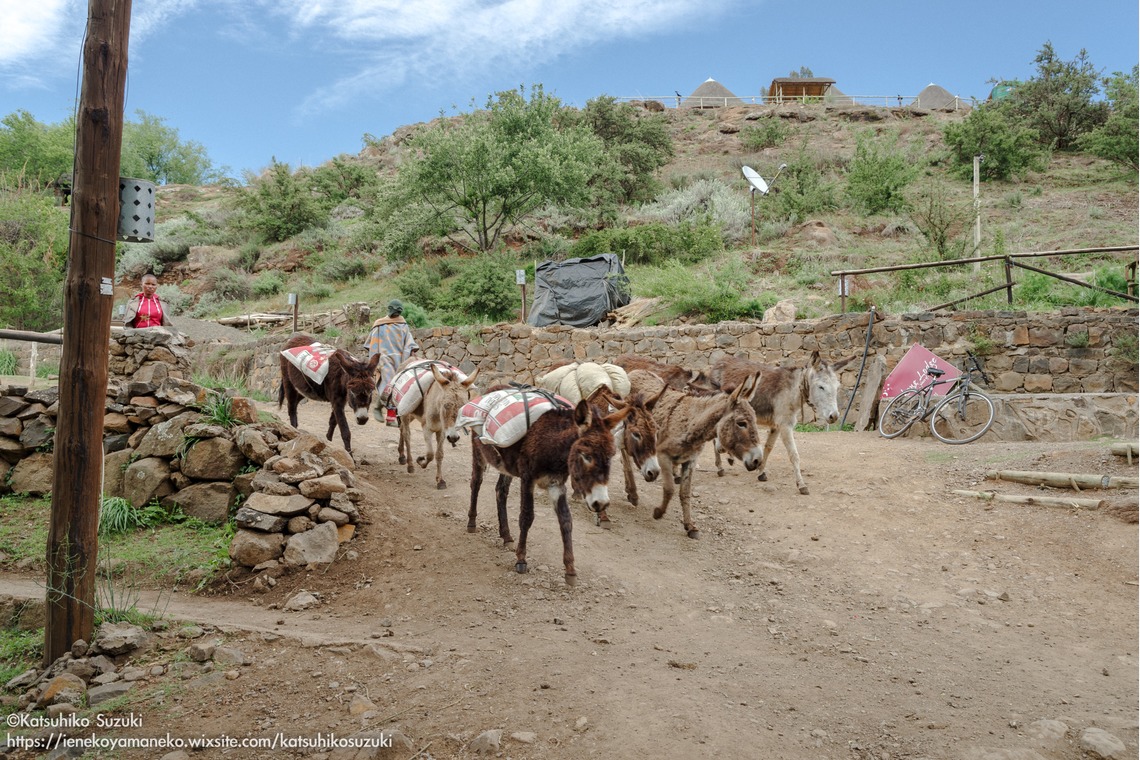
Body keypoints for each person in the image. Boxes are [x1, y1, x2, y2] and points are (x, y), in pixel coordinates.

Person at [363, 299, 419, 426]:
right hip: (384, 359)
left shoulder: (403, 324)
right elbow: (373, 344)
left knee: (398, 386)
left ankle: (386, 412)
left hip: (400, 359)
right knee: (388, 385)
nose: (397, 313)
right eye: (395, 311)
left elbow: (408, 343)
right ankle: (387, 415)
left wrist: (410, 354)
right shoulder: (379, 324)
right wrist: (375, 361)